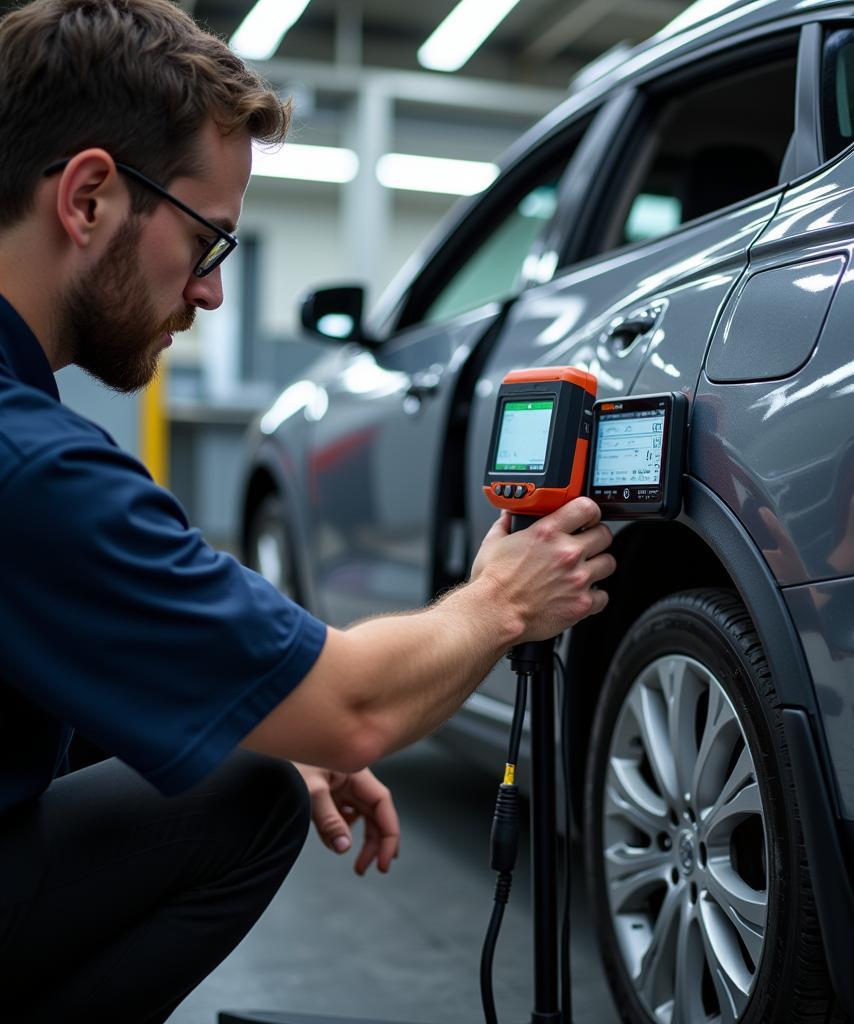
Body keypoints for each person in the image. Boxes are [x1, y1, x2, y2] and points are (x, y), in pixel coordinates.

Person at [0, 1, 615, 1020]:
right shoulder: (35, 466)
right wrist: (498, 602)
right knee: (247, 797)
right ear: (90, 197)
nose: (209, 296)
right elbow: (356, 708)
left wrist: (249, 712)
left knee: (251, 759)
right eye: (209, 243)